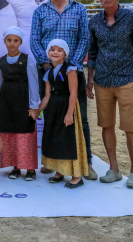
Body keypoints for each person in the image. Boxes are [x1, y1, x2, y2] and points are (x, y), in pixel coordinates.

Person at [30, 0, 97, 180]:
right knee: (50, 118)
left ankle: (87, 163)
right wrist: (49, 67)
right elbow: (35, 41)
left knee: (80, 119)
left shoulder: (79, 9)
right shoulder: (40, 11)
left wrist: (72, 66)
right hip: (48, 74)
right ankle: (53, 161)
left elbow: (84, 39)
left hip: (73, 73)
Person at [86, 0, 133, 189]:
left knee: (130, 127)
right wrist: (89, 80)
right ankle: (113, 169)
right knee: (106, 125)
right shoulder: (94, 21)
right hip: (102, 81)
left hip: (127, 80)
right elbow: (93, 54)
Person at [30, 39, 89, 189]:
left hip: (66, 106)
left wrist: (69, 114)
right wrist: (39, 110)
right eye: (52, 49)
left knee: (68, 139)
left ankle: (76, 177)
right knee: (55, 139)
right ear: (48, 53)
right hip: (53, 109)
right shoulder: (48, 73)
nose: (55, 52)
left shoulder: (70, 69)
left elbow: (73, 92)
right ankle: (59, 172)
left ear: (64, 54)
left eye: (59, 50)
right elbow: (47, 96)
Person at [0, 27, 40, 181]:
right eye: (9, 40)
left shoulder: (28, 59)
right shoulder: (0, 61)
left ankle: (31, 169)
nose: (12, 44)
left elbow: (33, 83)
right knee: (10, 135)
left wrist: (34, 105)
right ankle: (15, 167)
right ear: (4, 41)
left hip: (23, 99)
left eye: (15, 41)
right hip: (6, 101)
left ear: (20, 42)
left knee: (25, 133)